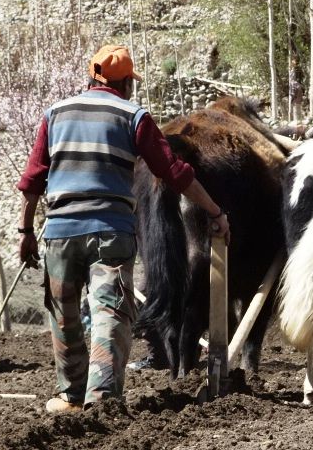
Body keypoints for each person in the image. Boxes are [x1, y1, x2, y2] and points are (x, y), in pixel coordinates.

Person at [17, 45, 230, 413]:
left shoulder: (55, 114)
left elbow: (33, 179)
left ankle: (70, 397)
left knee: (64, 313)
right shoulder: (133, 116)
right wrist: (215, 211)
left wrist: (25, 232)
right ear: (126, 83)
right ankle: (102, 400)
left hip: (61, 230)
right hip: (110, 232)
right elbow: (173, 173)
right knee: (110, 313)